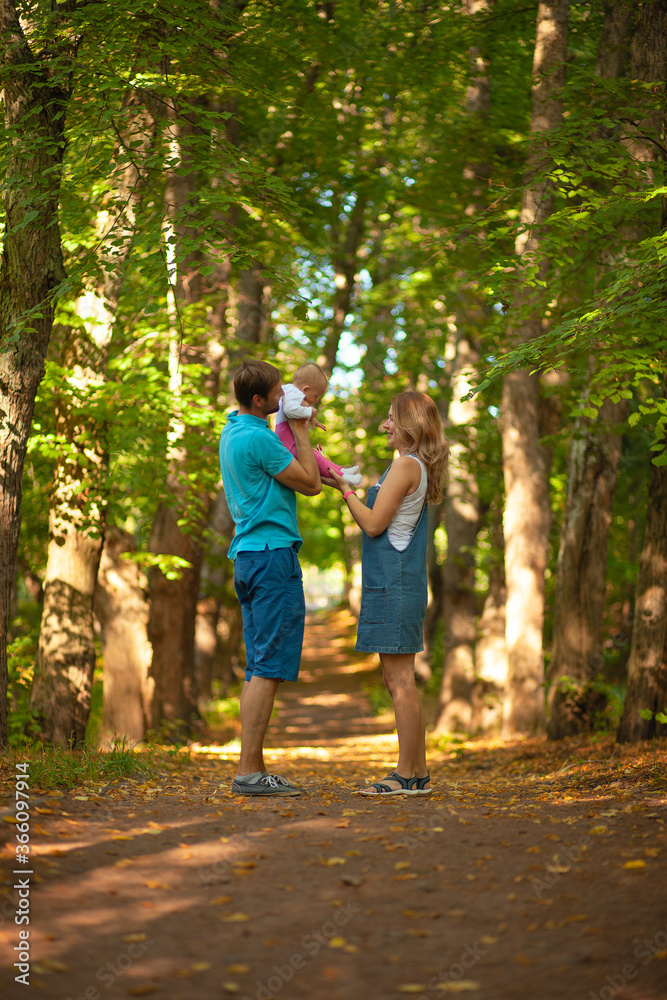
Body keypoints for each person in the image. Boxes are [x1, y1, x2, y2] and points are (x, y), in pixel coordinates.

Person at [326, 391, 448, 796]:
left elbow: (374, 524)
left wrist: (345, 492)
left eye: (392, 418)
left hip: (395, 586)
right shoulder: (410, 465)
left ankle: (405, 775)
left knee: (400, 681)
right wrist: (341, 477)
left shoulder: (406, 467)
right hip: (397, 583)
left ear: (410, 423)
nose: (385, 425)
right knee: (400, 679)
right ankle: (417, 771)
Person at [218, 359, 321, 796]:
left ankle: (254, 769)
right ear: (259, 401)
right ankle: (248, 773)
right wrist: (299, 426)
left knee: (257, 666)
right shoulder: (261, 440)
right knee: (268, 668)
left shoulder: (232, 430)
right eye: (278, 394)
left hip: (247, 558)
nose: (285, 398)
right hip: (271, 558)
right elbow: (312, 483)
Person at [275, 362, 362, 486]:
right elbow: (290, 410)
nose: (316, 400)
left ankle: (341, 470)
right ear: (305, 389)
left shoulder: (291, 391)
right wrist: (310, 412)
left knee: (315, 454)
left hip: (289, 440)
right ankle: (342, 477)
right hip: (287, 442)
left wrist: (313, 419)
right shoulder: (294, 394)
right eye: (316, 396)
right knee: (316, 459)